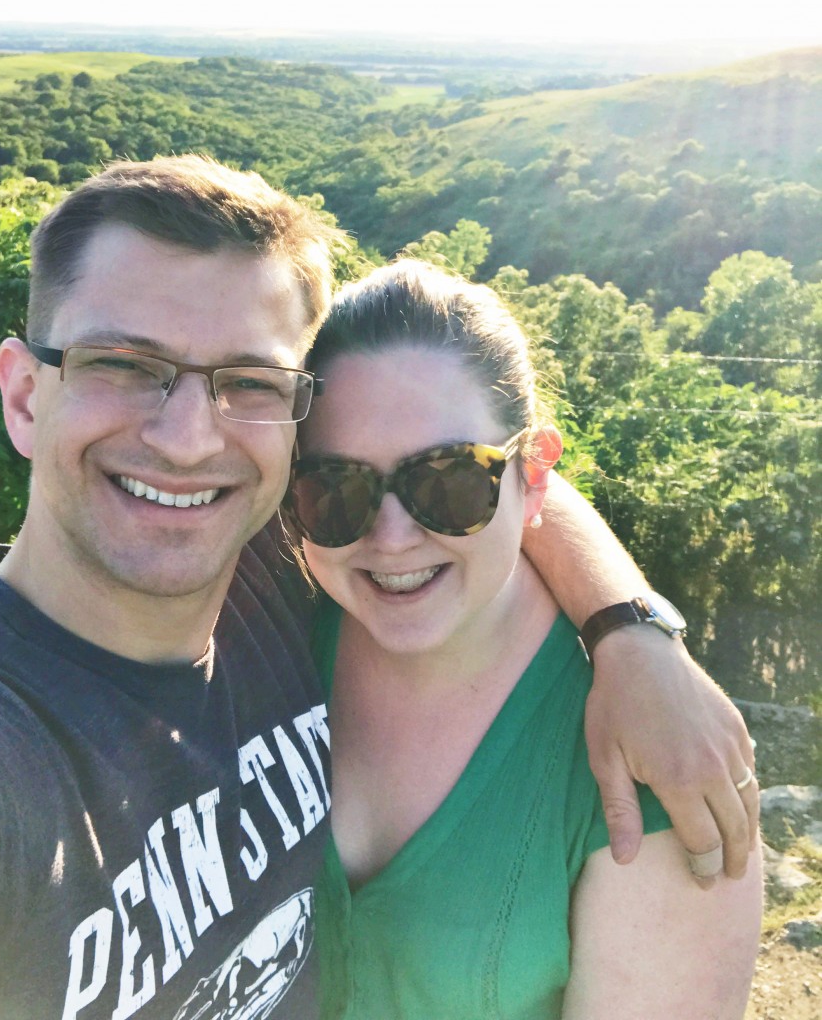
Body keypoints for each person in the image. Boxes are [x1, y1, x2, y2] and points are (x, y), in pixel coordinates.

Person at [0, 157, 757, 1020]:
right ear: (24, 396)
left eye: (246, 383)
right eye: (123, 364)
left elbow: (495, 461)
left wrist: (631, 632)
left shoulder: (261, 581)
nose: (185, 440)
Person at [285, 260, 764, 1019]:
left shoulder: (651, 758)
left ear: (534, 477)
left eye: (448, 482)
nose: (392, 536)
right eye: (337, 489)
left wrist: (631, 633)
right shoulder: (260, 634)